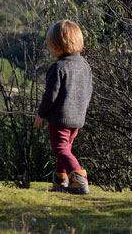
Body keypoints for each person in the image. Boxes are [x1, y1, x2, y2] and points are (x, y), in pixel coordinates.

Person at [34, 19, 93, 194]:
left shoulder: (58, 67)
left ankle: (80, 180)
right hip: (77, 118)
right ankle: (61, 183)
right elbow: (89, 90)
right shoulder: (84, 66)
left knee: (59, 149)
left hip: (60, 118)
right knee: (65, 149)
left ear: (58, 47)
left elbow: (50, 96)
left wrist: (41, 114)